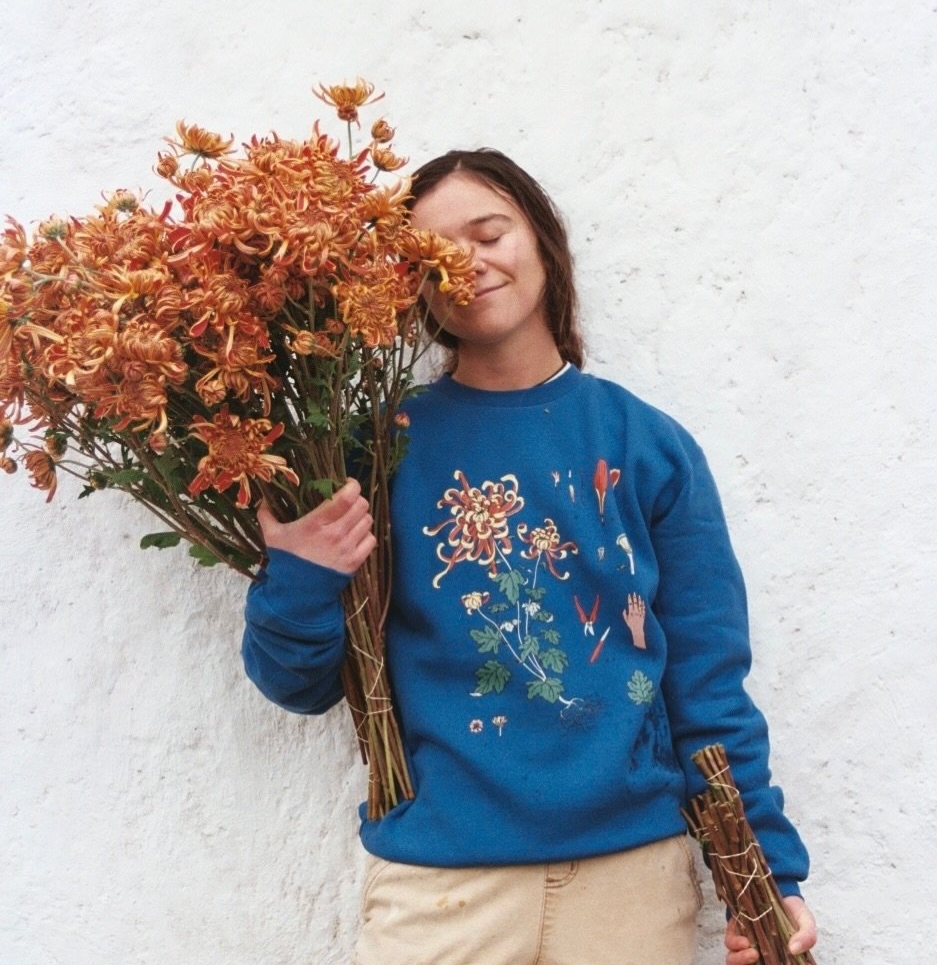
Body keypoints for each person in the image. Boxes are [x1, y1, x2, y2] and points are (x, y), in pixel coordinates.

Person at [242, 149, 818, 965]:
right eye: (433, 254)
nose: (467, 264)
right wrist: (299, 574)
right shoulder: (375, 448)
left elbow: (707, 684)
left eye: (489, 232)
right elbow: (297, 684)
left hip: (628, 879)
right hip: (438, 884)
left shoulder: (645, 446)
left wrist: (764, 872)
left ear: (542, 240)